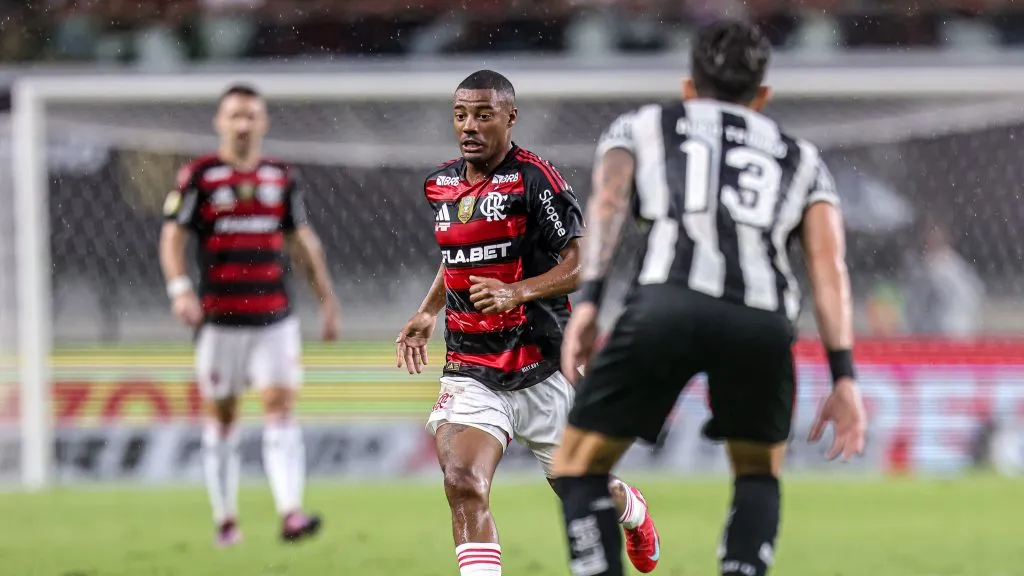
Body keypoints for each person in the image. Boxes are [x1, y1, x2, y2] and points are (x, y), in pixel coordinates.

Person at [551, 19, 868, 576]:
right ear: (762, 96)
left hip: (666, 304)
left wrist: (593, 302)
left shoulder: (644, 126)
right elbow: (828, 268)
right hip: (762, 319)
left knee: (579, 466)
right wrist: (844, 375)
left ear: (689, 86)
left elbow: (607, 205)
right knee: (756, 473)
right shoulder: (801, 157)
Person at [395, 70, 661, 576]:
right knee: (464, 483)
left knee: (577, 487)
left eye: (483, 114)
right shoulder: (441, 184)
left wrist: (517, 291)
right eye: (460, 115)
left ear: (510, 118)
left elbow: (585, 263)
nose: (469, 125)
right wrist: (430, 309)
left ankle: (631, 509)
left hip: (542, 365)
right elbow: (459, 256)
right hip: (471, 367)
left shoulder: (536, 179)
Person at [159, 83, 341, 547]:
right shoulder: (199, 176)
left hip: (274, 320)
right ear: (219, 122)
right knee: (223, 417)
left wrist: (326, 300)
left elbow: (302, 241)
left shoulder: (281, 177)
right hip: (219, 321)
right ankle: (225, 520)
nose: (243, 124)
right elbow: (173, 238)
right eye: (234, 116)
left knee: (280, 407)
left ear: (263, 123)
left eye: (251, 116)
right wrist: (180, 290)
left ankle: (291, 512)